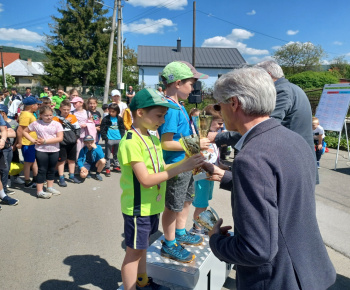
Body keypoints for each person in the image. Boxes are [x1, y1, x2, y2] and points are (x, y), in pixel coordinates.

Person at [204, 67, 336, 290]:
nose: (219, 112)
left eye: (219, 105)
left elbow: (256, 250)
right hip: (309, 269)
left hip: (277, 279)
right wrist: (226, 177)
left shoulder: (251, 157)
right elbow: (283, 194)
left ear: (234, 103)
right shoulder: (295, 140)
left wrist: (217, 241)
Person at [118, 88, 205, 290]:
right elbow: (146, 180)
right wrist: (182, 167)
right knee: (133, 254)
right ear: (140, 112)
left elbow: (160, 168)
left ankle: (142, 281)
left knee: (142, 248)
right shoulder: (131, 142)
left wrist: (187, 162)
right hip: (138, 209)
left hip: (151, 207)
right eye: (159, 115)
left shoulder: (153, 138)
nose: (163, 120)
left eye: (165, 115)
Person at [158, 61, 210, 263]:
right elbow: (166, 143)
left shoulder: (179, 106)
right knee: (173, 206)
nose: (194, 88)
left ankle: (179, 232)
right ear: (178, 83)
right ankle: (169, 244)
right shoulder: (170, 108)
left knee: (186, 199)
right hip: (177, 166)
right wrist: (195, 143)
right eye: (192, 84)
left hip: (187, 164)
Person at [192, 105, 229, 233]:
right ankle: (197, 228)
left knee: (204, 203)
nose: (220, 126)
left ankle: (202, 226)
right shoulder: (202, 138)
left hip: (209, 176)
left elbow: (214, 157)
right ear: (208, 121)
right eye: (219, 123)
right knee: (200, 204)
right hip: (201, 176)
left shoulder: (213, 139)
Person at [22, 106, 63, 198]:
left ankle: (50, 187)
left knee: (51, 169)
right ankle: (39, 191)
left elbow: (60, 138)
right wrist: (32, 140)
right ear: (40, 115)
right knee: (42, 170)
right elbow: (24, 132)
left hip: (54, 150)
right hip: (41, 150)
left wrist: (45, 141)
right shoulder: (36, 123)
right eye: (46, 115)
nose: (49, 117)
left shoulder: (57, 124)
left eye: (50, 115)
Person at [53, 100, 81, 187]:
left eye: (68, 109)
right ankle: (61, 177)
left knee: (72, 159)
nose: (66, 111)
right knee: (61, 160)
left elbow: (77, 129)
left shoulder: (73, 117)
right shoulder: (55, 119)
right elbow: (54, 130)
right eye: (64, 109)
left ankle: (71, 175)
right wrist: (64, 122)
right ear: (60, 108)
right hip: (62, 142)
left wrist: (76, 138)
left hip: (72, 142)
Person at [16, 97, 41, 188]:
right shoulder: (26, 115)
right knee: (28, 162)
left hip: (32, 142)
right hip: (27, 143)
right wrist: (19, 142)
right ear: (32, 106)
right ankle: (27, 181)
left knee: (33, 161)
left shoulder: (30, 113)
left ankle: (36, 178)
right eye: (37, 104)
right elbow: (20, 130)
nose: (38, 106)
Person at [0, 105, 25, 186]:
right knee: (5, 165)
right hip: (4, 147)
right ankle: (8, 180)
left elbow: (16, 134)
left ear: (3, 113)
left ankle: (16, 176)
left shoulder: (13, 122)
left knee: (15, 161)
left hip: (12, 146)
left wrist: (15, 145)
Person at [100, 103, 125, 176]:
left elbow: (122, 128)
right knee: (107, 155)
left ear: (117, 111)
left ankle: (115, 166)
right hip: (109, 139)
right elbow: (102, 129)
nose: (111, 113)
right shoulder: (106, 118)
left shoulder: (119, 119)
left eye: (113, 111)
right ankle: (107, 168)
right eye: (109, 111)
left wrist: (122, 136)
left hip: (118, 138)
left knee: (116, 154)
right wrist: (105, 138)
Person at [0, 105, 17, 194]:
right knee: (3, 169)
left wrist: (3, 134)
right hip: (3, 150)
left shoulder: (5, 123)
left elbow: (13, 134)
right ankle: (3, 191)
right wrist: (4, 133)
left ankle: (4, 190)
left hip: (6, 148)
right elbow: (7, 133)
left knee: (6, 169)